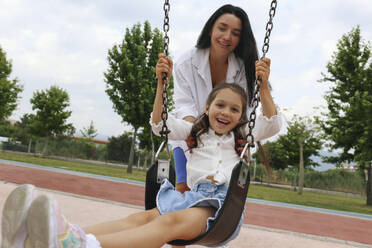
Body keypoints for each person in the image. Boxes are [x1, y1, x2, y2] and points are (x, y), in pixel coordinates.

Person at [1, 55, 281, 248]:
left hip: (220, 207)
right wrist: (162, 84)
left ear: (242, 116)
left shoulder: (243, 137)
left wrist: (263, 89)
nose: (226, 112)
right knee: (141, 218)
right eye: (220, 105)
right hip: (190, 200)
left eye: (235, 109)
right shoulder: (194, 132)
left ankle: (80, 245)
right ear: (207, 108)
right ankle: (58, 236)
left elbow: (272, 123)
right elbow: (159, 125)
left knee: (168, 222)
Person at [169, 4, 273, 198]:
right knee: (184, 189)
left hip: (229, 139)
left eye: (235, 33)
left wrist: (243, 139)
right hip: (191, 132)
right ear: (211, 29)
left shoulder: (243, 68)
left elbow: (245, 109)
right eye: (222, 28)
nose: (227, 37)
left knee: (224, 196)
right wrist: (195, 134)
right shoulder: (185, 62)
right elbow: (184, 104)